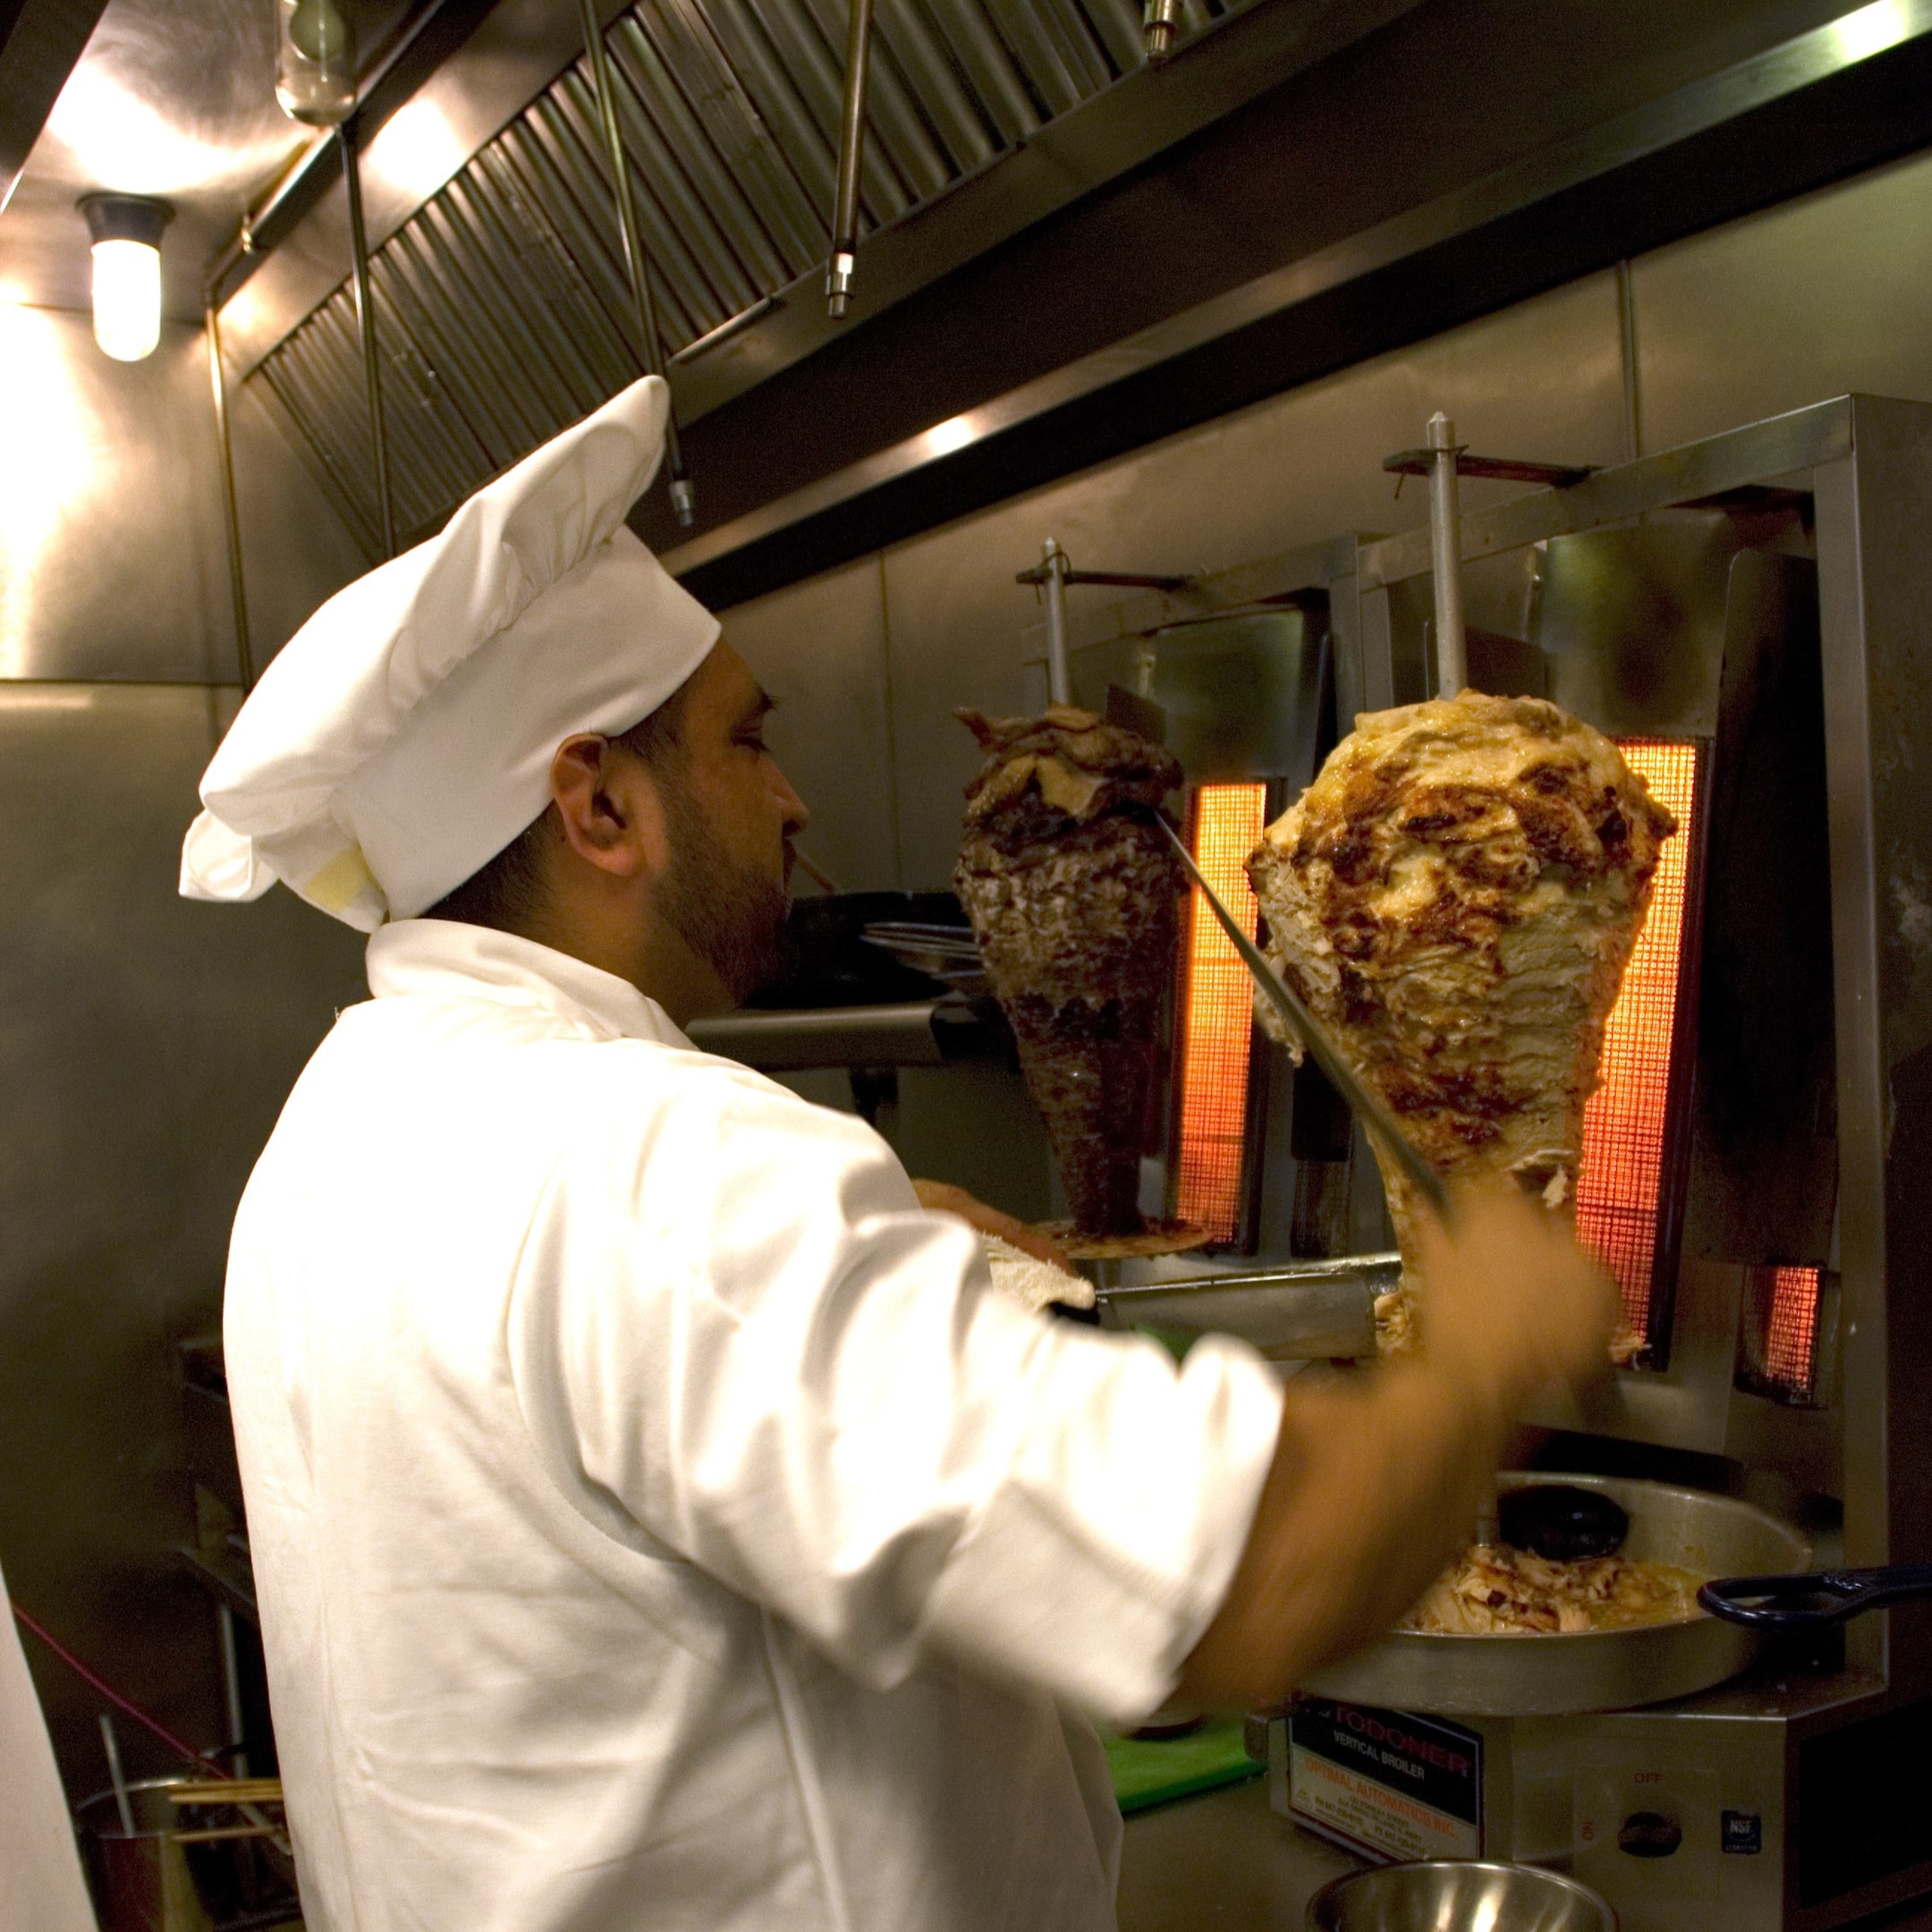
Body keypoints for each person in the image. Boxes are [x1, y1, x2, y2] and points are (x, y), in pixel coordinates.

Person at [182, 376, 1612, 1932]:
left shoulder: (346, 1128)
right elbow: (1243, 1583)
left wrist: (863, 1258)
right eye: (746, 742)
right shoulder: (647, 1171)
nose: (793, 801)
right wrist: (1479, 1359)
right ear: (597, 804)